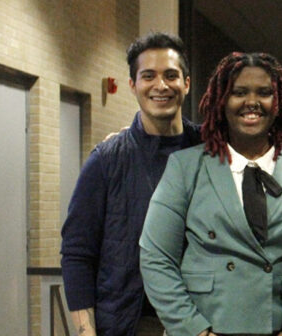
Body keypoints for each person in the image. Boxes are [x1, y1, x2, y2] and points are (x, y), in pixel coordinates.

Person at [140, 52, 282, 336]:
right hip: (205, 327)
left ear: (279, 104)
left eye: (264, 93)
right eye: (238, 92)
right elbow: (155, 258)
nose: (252, 102)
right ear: (222, 102)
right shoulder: (185, 166)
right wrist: (195, 330)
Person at [60, 32, 200, 336]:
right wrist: (86, 332)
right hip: (130, 323)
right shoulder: (107, 160)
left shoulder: (210, 152)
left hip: (201, 320)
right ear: (132, 85)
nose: (160, 86)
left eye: (171, 75)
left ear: (186, 83)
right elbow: (77, 252)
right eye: (148, 76)